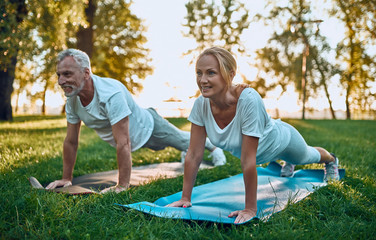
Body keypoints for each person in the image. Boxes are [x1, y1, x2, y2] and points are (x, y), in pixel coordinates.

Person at [166, 47, 340, 224]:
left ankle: (331, 160)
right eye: (199, 73)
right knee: (294, 158)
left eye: (211, 73)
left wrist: (250, 208)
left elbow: (248, 160)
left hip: (281, 141)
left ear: (230, 74)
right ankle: (289, 162)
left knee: (308, 155)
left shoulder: (248, 99)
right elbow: (194, 154)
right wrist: (185, 198)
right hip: (261, 151)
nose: (202, 80)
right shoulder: (200, 105)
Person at [46, 49, 226, 194]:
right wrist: (66, 178)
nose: (61, 81)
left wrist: (122, 186)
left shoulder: (110, 94)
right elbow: (71, 141)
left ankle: (214, 148)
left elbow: (123, 142)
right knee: (182, 145)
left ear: (86, 73)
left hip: (150, 127)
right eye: (59, 75)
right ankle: (187, 150)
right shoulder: (72, 99)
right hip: (133, 138)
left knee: (181, 139)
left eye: (67, 74)